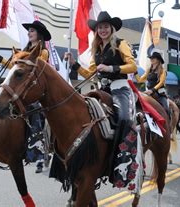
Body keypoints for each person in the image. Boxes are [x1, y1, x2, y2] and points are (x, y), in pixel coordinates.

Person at [65, 11, 138, 188]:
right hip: (102, 89)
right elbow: (90, 73)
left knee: (124, 119)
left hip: (120, 88)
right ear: (96, 31)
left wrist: (111, 67)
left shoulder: (121, 44)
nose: (103, 30)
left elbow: (133, 66)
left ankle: (124, 162)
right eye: (100, 28)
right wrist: (74, 64)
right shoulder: (96, 49)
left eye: (106, 27)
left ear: (111, 28)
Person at [0, 20, 51, 173]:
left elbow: (34, 71)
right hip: (24, 91)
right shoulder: (25, 51)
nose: (29, 33)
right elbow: (15, 68)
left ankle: (39, 155)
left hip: (35, 90)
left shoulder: (43, 52)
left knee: (35, 112)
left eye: (32, 30)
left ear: (39, 34)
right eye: (29, 30)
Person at [134, 51, 171, 117]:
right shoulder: (149, 70)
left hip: (159, 94)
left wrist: (152, 90)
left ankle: (168, 125)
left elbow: (161, 82)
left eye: (153, 58)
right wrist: (135, 72)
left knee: (166, 109)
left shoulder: (163, 71)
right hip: (149, 92)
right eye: (151, 58)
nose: (151, 59)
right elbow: (140, 80)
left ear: (158, 60)